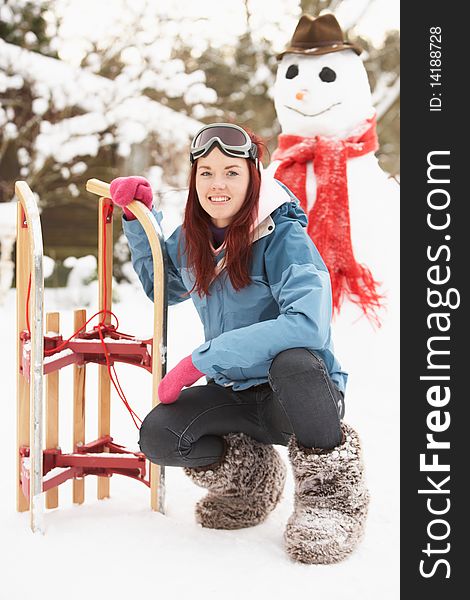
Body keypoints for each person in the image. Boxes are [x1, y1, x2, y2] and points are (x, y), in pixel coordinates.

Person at [109, 123, 369, 565]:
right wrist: (140, 220)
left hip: (296, 396)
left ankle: (331, 499)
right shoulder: (193, 236)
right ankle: (251, 481)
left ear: (253, 177)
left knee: (294, 361)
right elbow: (164, 287)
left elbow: (308, 325)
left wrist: (203, 358)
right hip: (235, 392)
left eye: (231, 171)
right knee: (160, 437)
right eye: (206, 172)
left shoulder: (283, 238)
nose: (217, 184)